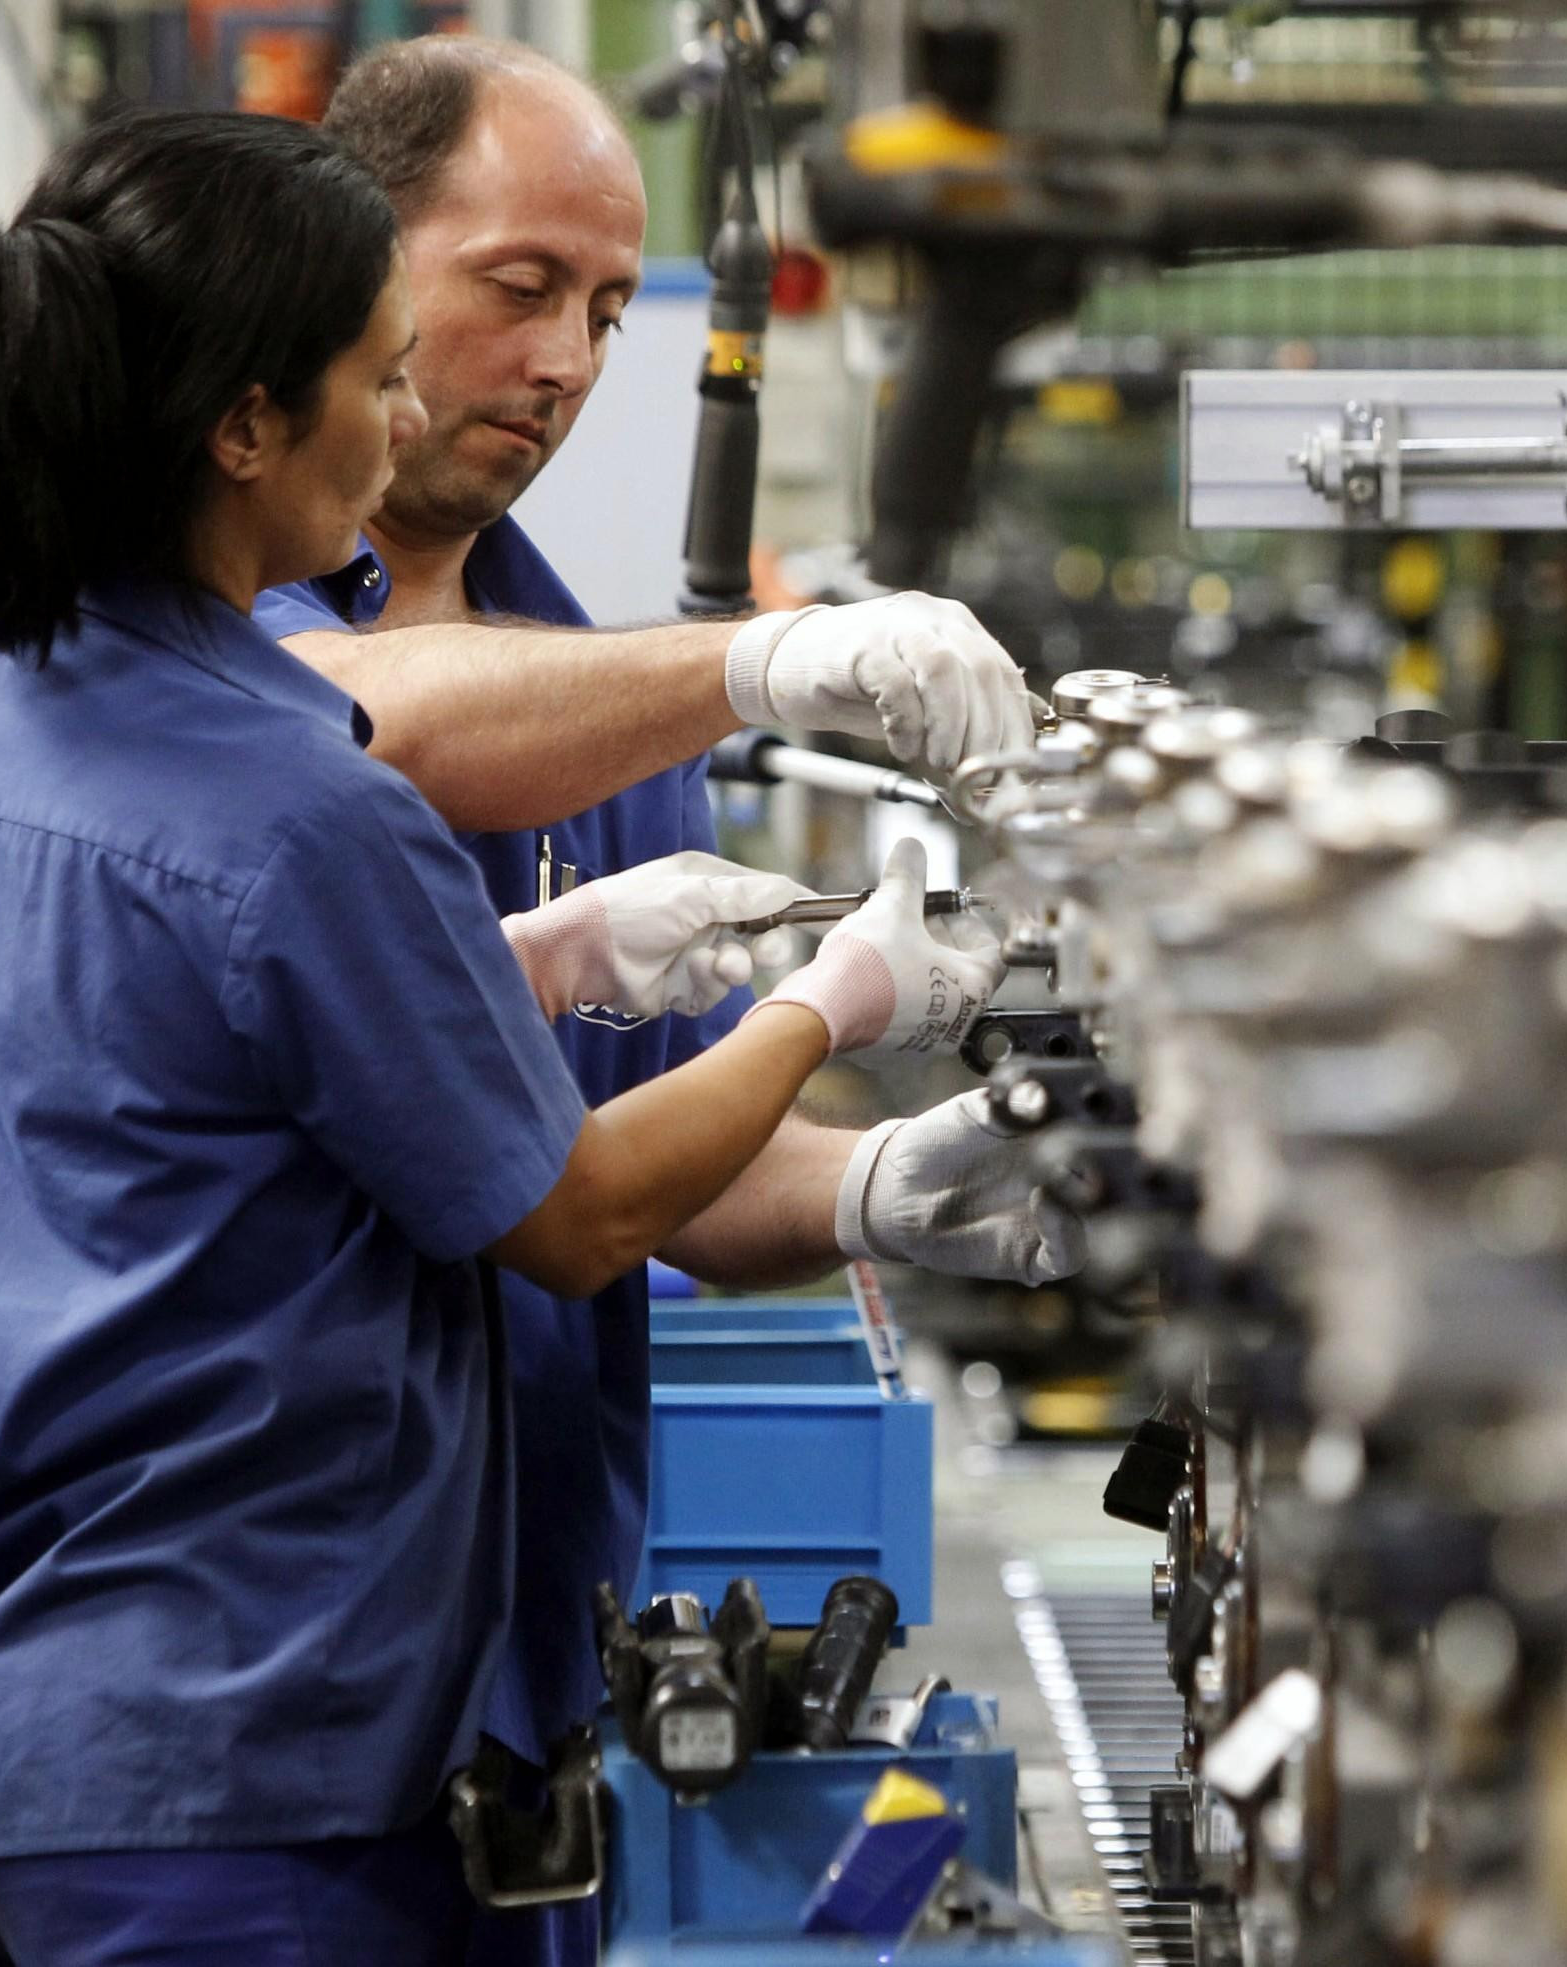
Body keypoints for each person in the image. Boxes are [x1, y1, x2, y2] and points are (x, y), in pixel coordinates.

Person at [0, 109, 993, 1964]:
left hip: (102, 1711)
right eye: (392, 365)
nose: (427, 410)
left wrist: (870, 1172)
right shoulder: (287, 789)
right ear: (246, 422)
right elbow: (581, 1209)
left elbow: (195, 1071)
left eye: (610, 305)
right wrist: (832, 1006)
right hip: (263, 1737)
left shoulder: (0, 720)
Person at [264, 40, 1082, 1967]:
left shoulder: (613, 709)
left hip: (520, 1664)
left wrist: (887, 1177)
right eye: (521, 286)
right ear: (352, 270)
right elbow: (354, 725)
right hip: (262, 1643)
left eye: (612, 311)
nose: (565, 362)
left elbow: (654, 1166)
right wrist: (770, 656)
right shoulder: (199, 622)